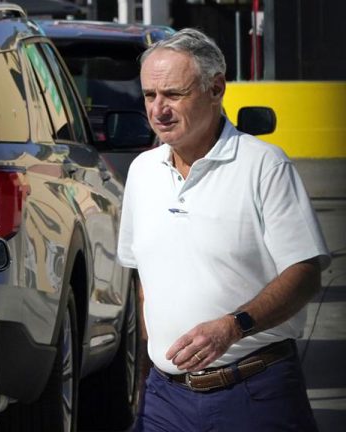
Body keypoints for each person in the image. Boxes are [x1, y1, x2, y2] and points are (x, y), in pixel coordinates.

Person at [118, 28, 330, 431]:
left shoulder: (264, 166)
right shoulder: (142, 172)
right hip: (165, 400)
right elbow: (145, 283)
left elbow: (305, 273)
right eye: (150, 96)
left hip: (254, 392)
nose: (158, 109)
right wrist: (147, 373)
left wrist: (233, 327)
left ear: (216, 89)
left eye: (173, 94)